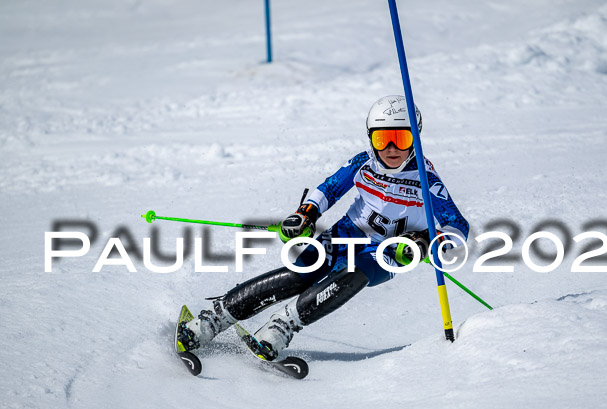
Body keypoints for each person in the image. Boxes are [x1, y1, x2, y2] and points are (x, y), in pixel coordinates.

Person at [177, 95, 470, 360]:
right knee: (302, 273)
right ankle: (212, 319)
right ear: (371, 139)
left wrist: (424, 243)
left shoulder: (427, 181)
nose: (391, 149)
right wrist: (305, 215)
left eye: (401, 139)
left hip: (387, 253)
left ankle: (281, 328)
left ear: (416, 139)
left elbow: (457, 227)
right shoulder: (363, 164)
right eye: (383, 140)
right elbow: (329, 188)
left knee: (355, 276)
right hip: (347, 234)